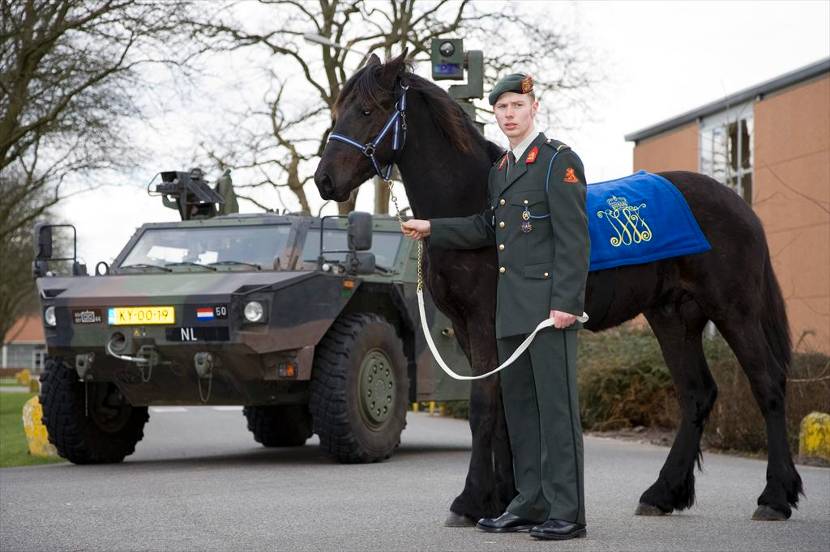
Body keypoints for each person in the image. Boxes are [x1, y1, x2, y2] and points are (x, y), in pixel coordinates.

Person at [401, 73, 590, 541]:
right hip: (510, 311)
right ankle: (528, 502)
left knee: (556, 412)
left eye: (516, 106)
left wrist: (566, 303)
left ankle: (568, 511)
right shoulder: (501, 170)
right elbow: (487, 228)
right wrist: (432, 228)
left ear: (534, 108)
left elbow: (574, 239)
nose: (508, 115)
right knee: (522, 412)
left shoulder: (557, 163)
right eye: (501, 108)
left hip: (548, 311)